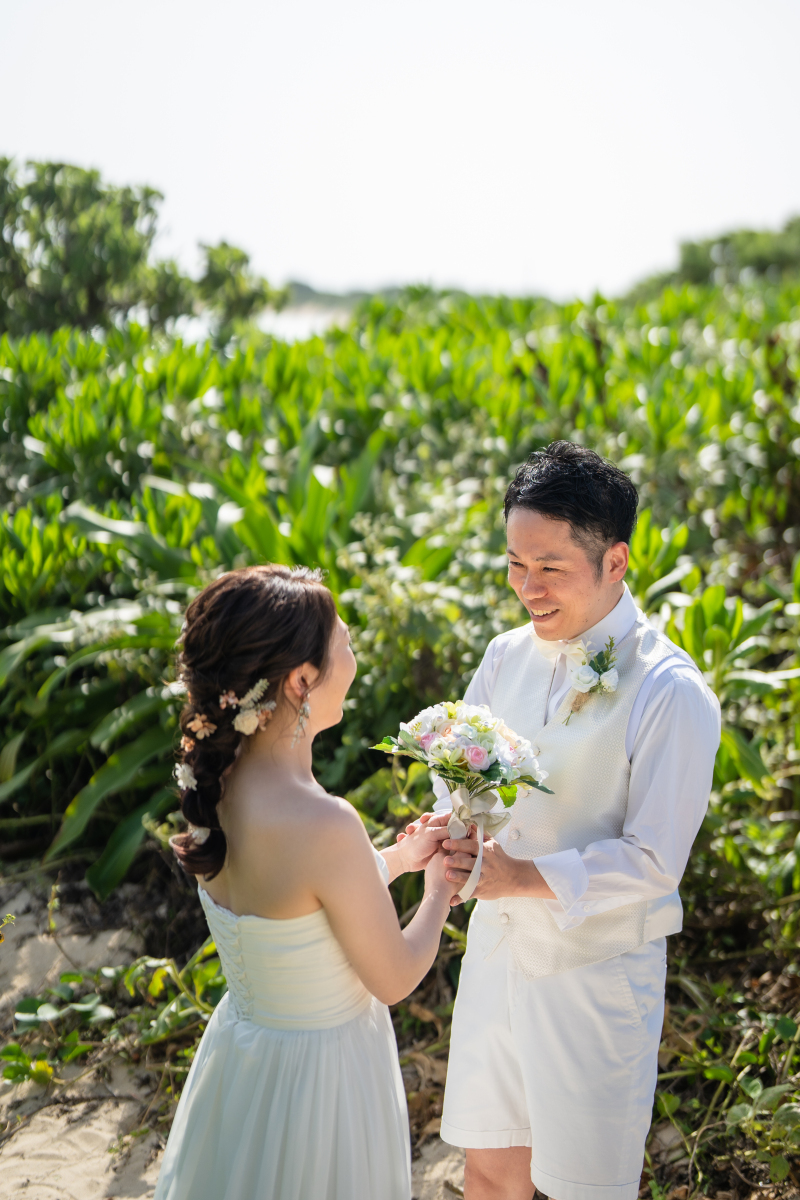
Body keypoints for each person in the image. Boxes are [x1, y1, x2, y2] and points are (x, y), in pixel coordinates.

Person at [426, 442, 721, 1200]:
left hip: (595, 979)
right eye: (515, 564)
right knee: (489, 1172)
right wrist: (449, 830)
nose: (528, 588)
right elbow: (462, 777)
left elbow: (655, 861)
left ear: (615, 561)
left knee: (585, 1188)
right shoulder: (503, 656)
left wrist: (523, 877)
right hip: (496, 958)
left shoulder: (671, 691)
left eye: (549, 567)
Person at [154, 564, 453, 1200]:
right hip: (323, 1081)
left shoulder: (219, 784)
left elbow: (295, 906)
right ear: (300, 681)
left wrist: (395, 861)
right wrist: (440, 891)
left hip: (244, 1060)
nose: (353, 654)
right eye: (344, 643)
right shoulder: (324, 823)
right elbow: (395, 977)